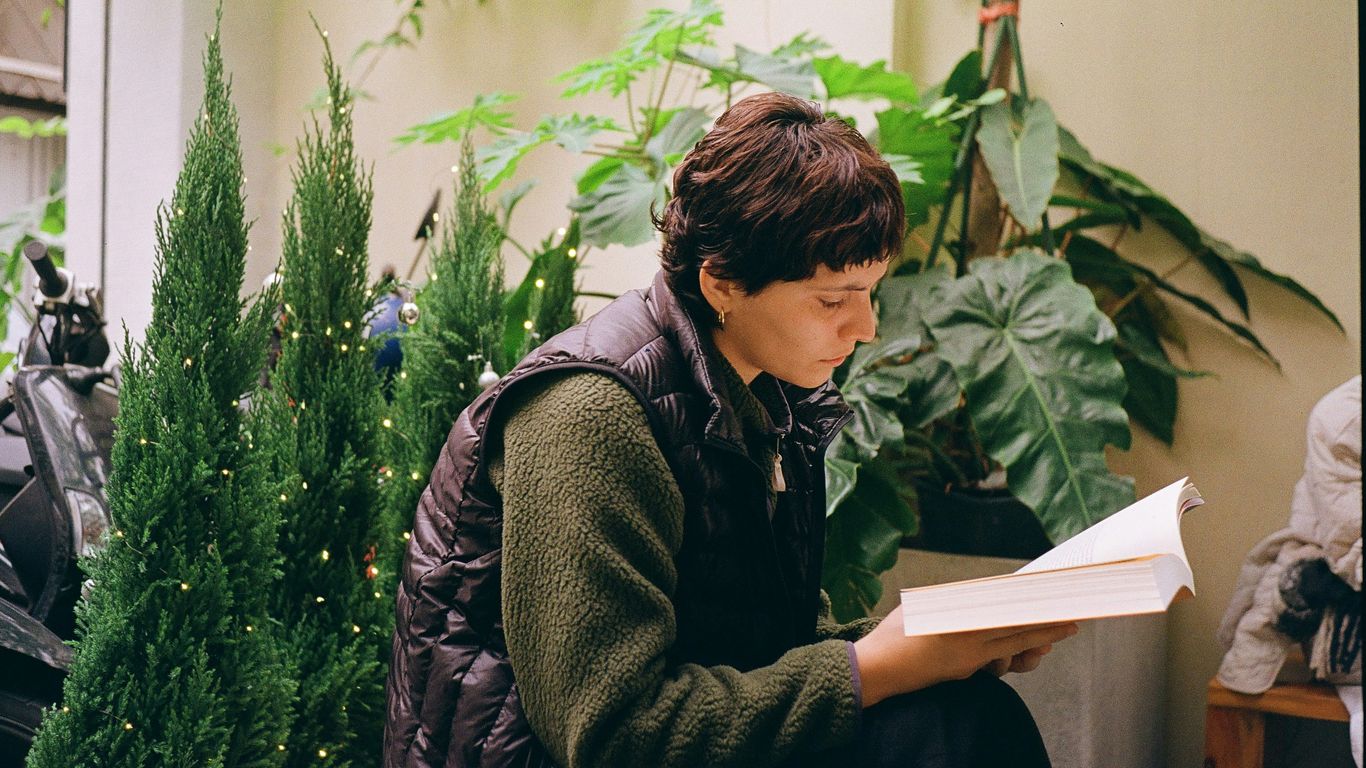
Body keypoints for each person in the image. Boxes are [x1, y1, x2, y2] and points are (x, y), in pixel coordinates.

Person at [384, 91, 1077, 768]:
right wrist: (876, 666)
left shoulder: (763, 395)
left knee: (967, 712)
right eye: (832, 300)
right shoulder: (589, 415)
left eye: (869, 293)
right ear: (722, 284)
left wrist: (943, 648)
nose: (866, 328)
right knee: (953, 736)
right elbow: (611, 735)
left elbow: (767, 643)